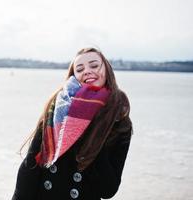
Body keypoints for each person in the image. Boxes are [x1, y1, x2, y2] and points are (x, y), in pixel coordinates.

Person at [11, 47, 133, 200]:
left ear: (107, 70)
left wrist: (93, 132)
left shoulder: (118, 120)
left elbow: (108, 190)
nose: (87, 71)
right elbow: (31, 166)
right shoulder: (57, 109)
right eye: (80, 69)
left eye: (94, 65)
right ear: (74, 76)